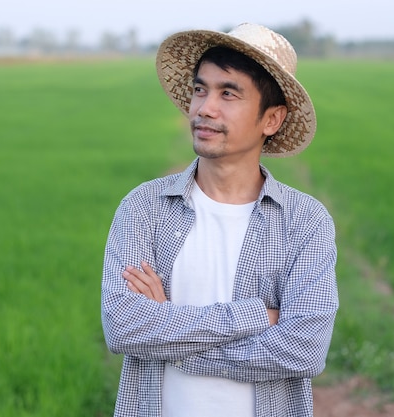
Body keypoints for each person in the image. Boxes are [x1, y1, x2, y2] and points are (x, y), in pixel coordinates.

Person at [101, 23, 339, 417]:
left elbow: (305, 349)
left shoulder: (304, 222)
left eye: (228, 93)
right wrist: (257, 316)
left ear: (272, 119)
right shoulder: (144, 207)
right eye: (200, 89)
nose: (204, 108)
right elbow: (125, 326)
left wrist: (173, 336)